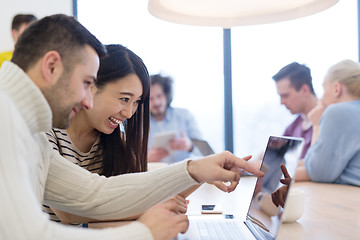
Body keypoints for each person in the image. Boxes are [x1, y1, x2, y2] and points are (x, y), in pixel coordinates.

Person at [0, 13, 263, 240]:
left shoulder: (27, 127)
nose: (86, 99)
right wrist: (145, 232)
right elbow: (29, 235)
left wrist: (193, 169)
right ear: (52, 66)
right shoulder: (7, 116)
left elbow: (94, 193)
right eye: (85, 83)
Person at [44, 44, 188, 225]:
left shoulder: (114, 139)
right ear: (91, 86)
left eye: (136, 102)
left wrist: (196, 174)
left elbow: (137, 186)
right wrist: (150, 205)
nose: (129, 113)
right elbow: (69, 212)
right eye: (125, 99)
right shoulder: (46, 132)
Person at [296, 59, 360, 186]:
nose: (321, 97)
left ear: (336, 89)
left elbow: (317, 171)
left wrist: (316, 125)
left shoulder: (336, 112)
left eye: (324, 88)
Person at [148, 73, 202, 163]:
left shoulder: (185, 115)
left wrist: (190, 146)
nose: (156, 102)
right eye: (150, 98)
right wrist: (147, 159)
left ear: (166, 95)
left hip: (185, 174)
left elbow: (206, 152)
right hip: (155, 174)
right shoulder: (140, 124)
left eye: (159, 96)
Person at [272, 62, 318, 158]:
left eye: (285, 95)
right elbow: (274, 155)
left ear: (305, 90)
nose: (282, 102)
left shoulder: (328, 122)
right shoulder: (293, 127)